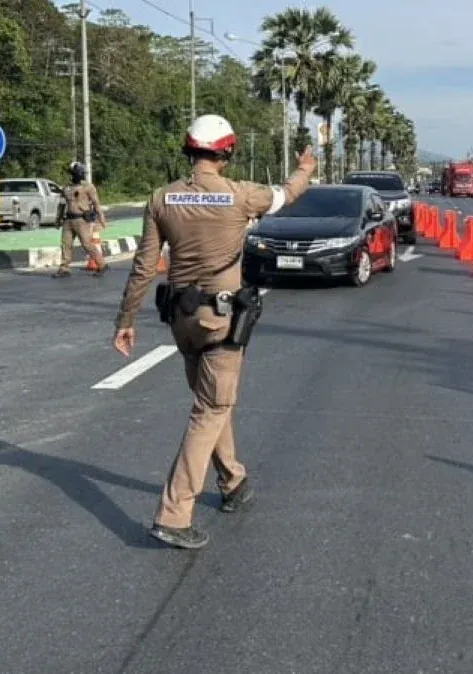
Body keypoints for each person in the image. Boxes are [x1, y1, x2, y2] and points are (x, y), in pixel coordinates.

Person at [111, 114, 318, 550]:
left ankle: (233, 483)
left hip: (181, 321)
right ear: (225, 152)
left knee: (211, 401)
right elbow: (289, 193)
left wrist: (126, 321)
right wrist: (305, 168)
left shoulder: (161, 199)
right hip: (221, 321)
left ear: (189, 149)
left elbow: (145, 266)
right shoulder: (241, 195)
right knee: (210, 410)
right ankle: (173, 514)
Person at [53, 161, 108, 278]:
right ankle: (64, 268)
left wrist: (102, 218)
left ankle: (102, 265)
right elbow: (62, 205)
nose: (73, 176)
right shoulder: (67, 188)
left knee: (87, 244)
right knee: (65, 245)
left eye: (75, 173)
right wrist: (58, 219)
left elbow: (96, 203)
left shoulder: (88, 187)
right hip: (68, 220)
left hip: (82, 220)